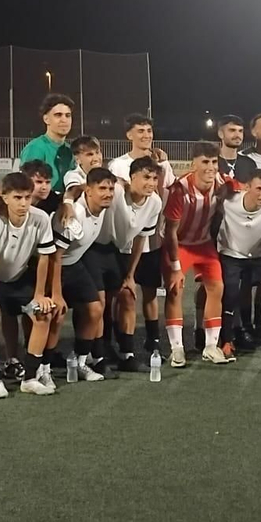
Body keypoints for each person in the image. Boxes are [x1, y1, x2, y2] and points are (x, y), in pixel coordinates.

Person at [0, 171, 63, 397]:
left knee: (43, 314)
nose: (23, 203)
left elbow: (45, 257)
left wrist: (40, 294)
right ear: (5, 197)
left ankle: (30, 378)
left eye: (27, 197)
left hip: (19, 278)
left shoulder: (40, 218)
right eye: (17, 198)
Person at [162, 143, 236, 366]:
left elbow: (240, 187)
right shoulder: (180, 189)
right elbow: (170, 232)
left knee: (217, 288)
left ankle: (211, 346)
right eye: (205, 162)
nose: (210, 167)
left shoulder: (223, 182)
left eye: (214, 162)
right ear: (193, 164)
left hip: (204, 244)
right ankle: (177, 349)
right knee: (175, 290)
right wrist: (175, 266)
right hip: (180, 245)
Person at [215, 162, 261, 358]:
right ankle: (227, 341)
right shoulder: (228, 202)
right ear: (246, 187)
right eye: (258, 188)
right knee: (230, 293)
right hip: (232, 254)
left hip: (259, 256)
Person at [54, 166, 121, 378]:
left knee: (94, 309)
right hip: (52, 267)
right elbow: (54, 256)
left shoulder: (100, 209)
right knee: (53, 315)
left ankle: (81, 361)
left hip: (73, 264)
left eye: (111, 188)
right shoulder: (77, 214)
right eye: (102, 188)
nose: (108, 193)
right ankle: (41, 368)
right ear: (88, 191)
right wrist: (56, 293)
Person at [101, 156, 166, 369]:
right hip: (103, 248)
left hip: (126, 251)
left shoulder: (155, 202)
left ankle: (127, 353)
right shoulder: (118, 192)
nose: (151, 183)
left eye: (155, 178)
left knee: (127, 296)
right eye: (146, 177)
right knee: (105, 301)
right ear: (132, 177)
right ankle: (101, 348)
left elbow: (141, 239)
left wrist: (130, 275)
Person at [17, 93, 76, 190]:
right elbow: (27, 186)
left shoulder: (70, 150)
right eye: (58, 115)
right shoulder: (36, 148)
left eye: (68, 115)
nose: (64, 120)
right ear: (46, 119)